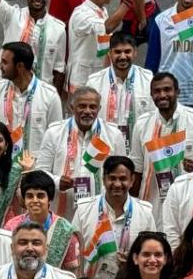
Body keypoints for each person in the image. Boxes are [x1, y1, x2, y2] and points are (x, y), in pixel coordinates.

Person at [127, 72, 193, 221]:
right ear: (151, 95)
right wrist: (134, 207)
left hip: (189, 203)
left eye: (167, 90)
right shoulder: (142, 124)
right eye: (157, 91)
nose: (162, 95)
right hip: (152, 205)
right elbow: (137, 170)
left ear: (177, 92)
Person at [34, 87, 126, 219]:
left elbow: (121, 174)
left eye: (92, 107)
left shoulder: (113, 135)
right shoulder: (54, 133)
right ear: (71, 107)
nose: (87, 111)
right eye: (82, 106)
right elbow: (40, 172)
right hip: (62, 211)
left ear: (99, 109)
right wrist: (57, 181)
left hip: (101, 211)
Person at [73, 156, 156, 279]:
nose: (117, 184)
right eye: (112, 178)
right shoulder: (84, 210)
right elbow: (74, 253)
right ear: (103, 179)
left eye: (123, 179)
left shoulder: (145, 213)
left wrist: (133, 260)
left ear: (132, 180)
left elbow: (153, 252)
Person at [66, 0, 145, 92]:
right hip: (82, 80)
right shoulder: (81, 14)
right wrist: (128, 0)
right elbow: (107, 27)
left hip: (98, 76)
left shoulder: (102, 11)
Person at [0, 42, 63, 159]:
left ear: (20, 66)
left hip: (35, 170)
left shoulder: (49, 96)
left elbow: (57, 139)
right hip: (3, 168)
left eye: (4, 62)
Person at [4, 171, 79, 270]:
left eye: (40, 196)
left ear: (49, 198)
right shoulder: (12, 227)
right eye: (30, 196)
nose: (35, 200)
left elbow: (71, 271)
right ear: (24, 199)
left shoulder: (65, 230)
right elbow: (5, 261)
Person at [87, 33, 154, 141]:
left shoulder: (148, 80)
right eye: (117, 52)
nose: (123, 57)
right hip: (105, 147)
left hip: (137, 147)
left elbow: (154, 118)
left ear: (135, 52)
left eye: (127, 51)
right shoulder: (94, 82)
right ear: (110, 53)